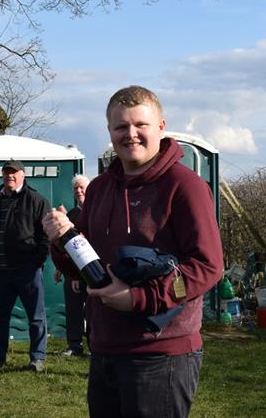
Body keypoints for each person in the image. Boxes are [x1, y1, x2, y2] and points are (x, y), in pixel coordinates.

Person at [43, 85, 223, 418]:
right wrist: (61, 243)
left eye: (141, 125)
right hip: (105, 346)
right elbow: (87, 267)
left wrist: (139, 298)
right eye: (120, 127)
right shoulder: (98, 189)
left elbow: (207, 267)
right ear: (109, 131)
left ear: (161, 127)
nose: (131, 134)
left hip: (162, 353)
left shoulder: (185, 186)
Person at [0, 160, 51, 372]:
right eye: (6, 173)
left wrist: (38, 261)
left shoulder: (36, 200)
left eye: (14, 173)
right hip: (1, 269)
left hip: (28, 269)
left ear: (23, 175)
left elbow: (45, 235)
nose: (10, 176)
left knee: (36, 316)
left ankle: (37, 358)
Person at [54, 174, 90, 357]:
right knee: (73, 308)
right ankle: (74, 345)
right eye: (76, 188)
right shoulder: (71, 215)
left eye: (82, 187)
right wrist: (61, 268)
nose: (78, 191)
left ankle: (94, 346)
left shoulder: (96, 212)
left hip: (93, 271)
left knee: (93, 311)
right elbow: (66, 245)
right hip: (73, 271)